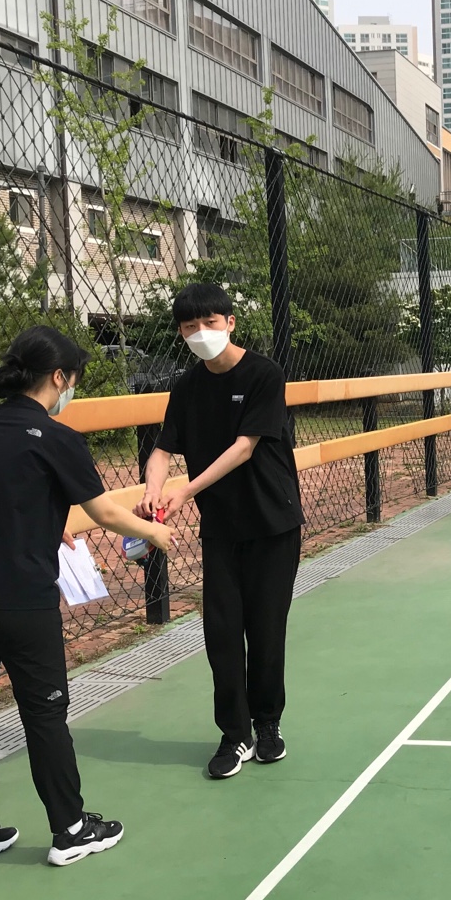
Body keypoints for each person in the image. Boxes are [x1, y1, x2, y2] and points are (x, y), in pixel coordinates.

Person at [0, 326, 174, 873]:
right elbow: (107, 512)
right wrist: (157, 535)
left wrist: (51, 524)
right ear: (60, 378)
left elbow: (6, 499)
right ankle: (70, 829)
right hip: (22, 602)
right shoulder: (56, 436)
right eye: (74, 382)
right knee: (45, 714)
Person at [140, 283, 304, 780]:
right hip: (222, 528)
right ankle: (234, 735)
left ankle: (268, 723)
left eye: (209, 323)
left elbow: (244, 447)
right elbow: (164, 447)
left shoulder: (264, 374)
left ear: (230, 323)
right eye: (189, 327)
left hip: (273, 522)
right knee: (223, 633)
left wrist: (184, 492)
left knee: (266, 627)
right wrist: (153, 488)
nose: (200, 334)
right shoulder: (186, 387)